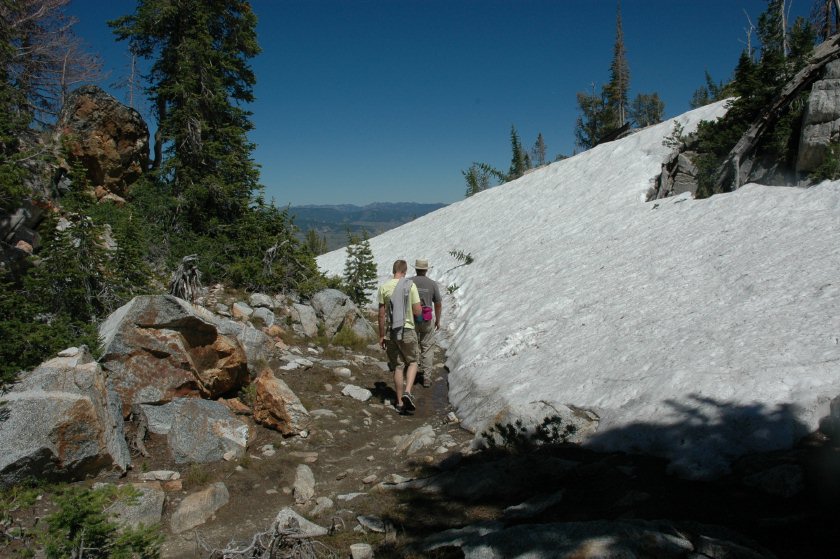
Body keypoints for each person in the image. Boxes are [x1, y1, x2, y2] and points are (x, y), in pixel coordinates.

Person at [378, 259, 422, 413]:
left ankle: (399, 403)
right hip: (408, 329)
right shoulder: (410, 286)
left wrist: (382, 335)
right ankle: (408, 392)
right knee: (413, 361)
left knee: (398, 366)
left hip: (391, 332)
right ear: (405, 271)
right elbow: (417, 311)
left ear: (393, 270)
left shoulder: (384, 287)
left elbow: (381, 315)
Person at [410, 258, 442, 387]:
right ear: (426, 270)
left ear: (416, 269)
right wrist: (438, 320)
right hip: (427, 318)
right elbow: (438, 304)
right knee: (427, 347)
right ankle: (426, 377)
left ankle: (411, 372)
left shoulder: (409, 282)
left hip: (412, 318)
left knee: (412, 345)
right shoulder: (432, 284)